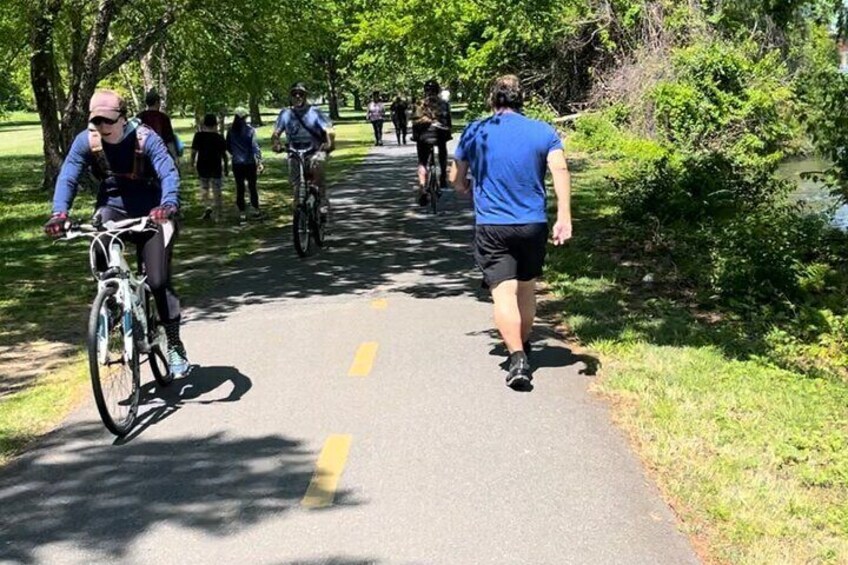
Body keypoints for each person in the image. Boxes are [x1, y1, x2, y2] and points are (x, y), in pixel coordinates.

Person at [43, 89, 190, 376]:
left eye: (108, 121)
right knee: (99, 245)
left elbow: (168, 172)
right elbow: (69, 175)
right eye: (97, 121)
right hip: (112, 208)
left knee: (158, 282)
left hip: (153, 211)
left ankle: (174, 344)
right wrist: (59, 213)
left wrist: (168, 203)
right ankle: (112, 303)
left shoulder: (146, 138)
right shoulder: (87, 140)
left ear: (123, 118)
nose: (102, 127)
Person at [450, 75, 572, 390]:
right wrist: (564, 216)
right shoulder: (543, 131)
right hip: (532, 223)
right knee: (527, 289)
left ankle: (517, 355)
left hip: (492, 226)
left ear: (493, 100)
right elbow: (560, 169)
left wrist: (463, 185)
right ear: (521, 101)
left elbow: (456, 177)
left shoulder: (476, 130)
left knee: (503, 293)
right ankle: (523, 343)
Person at [271, 82, 336, 217]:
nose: (298, 96)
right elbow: (276, 133)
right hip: (294, 152)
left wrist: (329, 143)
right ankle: (298, 208)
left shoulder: (315, 112)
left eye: (301, 94)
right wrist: (276, 143)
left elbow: (329, 130)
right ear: (291, 96)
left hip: (314, 151)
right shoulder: (285, 114)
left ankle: (322, 199)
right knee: (296, 183)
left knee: (317, 171)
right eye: (294, 94)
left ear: (306, 95)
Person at [411, 79, 452, 204]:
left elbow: (414, 122)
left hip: (423, 136)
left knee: (422, 161)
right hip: (440, 135)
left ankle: (423, 187)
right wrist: (448, 132)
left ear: (425, 90)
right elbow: (448, 122)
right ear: (438, 90)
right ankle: (443, 175)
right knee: (442, 150)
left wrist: (415, 136)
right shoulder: (443, 103)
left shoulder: (419, 103)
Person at [226, 107, 264, 222]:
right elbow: (254, 147)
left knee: (240, 188)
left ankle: (242, 213)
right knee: (252, 187)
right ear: (244, 117)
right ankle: (256, 210)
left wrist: (235, 154)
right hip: (249, 163)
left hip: (237, 163)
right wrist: (259, 161)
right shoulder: (250, 131)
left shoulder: (230, 131)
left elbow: (227, 146)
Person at [191, 113, 229, 222]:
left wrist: (191, 164)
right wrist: (226, 168)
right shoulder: (219, 137)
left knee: (204, 188)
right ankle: (218, 215)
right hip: (216, 166)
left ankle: (207, 207)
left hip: (202, 166)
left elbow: (193, 152)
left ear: (204, 124)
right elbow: (224, 155)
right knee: (217, 190)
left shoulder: (198, 136)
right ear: (215, 124)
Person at [137, 90, 179, 162]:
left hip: (143, 154)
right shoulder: (163, 118)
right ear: (157, 102)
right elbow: (169, 139)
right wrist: (175, 157)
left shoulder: (139, 117)